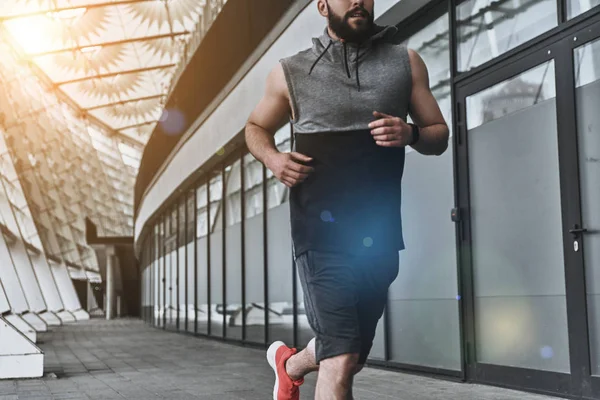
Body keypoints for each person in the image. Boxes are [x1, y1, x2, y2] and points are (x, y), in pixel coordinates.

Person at [245, 0, 449, 399]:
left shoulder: (405, 62)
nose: (358, 0)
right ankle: (297, 366)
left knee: (350, 356)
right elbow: (255, 126)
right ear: (322, 5)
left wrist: (410, 134)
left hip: (379, 234)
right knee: (340, 357)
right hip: (319, 234)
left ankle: (289, 365)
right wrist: (273, 158)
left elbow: (438, 134)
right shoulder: (291, 70)